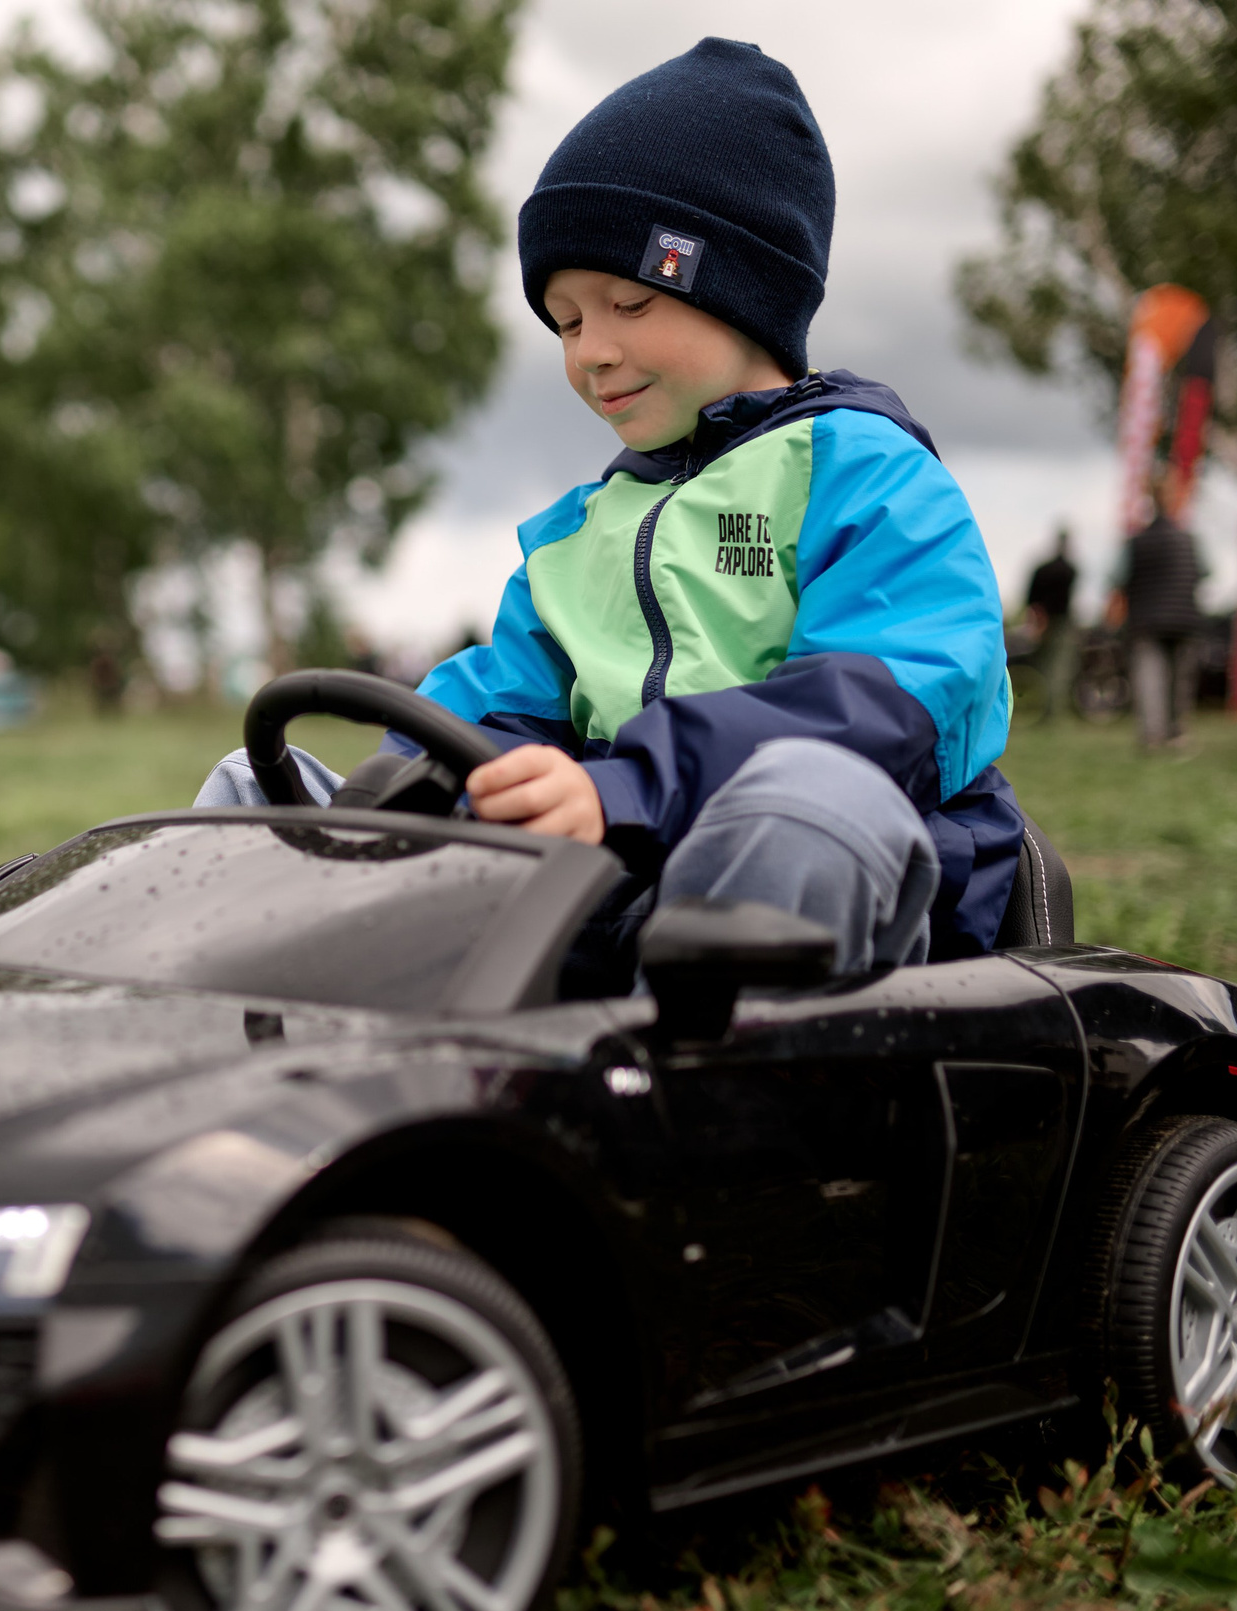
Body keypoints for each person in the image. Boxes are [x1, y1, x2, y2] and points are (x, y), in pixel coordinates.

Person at [198, 38, 1015, 978]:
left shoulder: (866, 475)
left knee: (805, 797)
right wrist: (423, 787)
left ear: (744, 294)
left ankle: (726, 1064)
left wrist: (628, 787)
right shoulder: (581, 531)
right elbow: (504, 707)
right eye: (568, 321)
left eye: (629, 304)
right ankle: (215, 1033)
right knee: (257, 789)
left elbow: (880, 707)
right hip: (609, 886)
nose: (591, 351)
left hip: (830, 885)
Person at [1114, 479, 1207, 752]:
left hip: (1145, 620)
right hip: (1184, 619)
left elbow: (1117, 578)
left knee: (1150, 679)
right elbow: (1205, 573)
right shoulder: (1190, 540)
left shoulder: (1135, 542)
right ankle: (1176, 733)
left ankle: (1152, 736)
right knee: (1180, 682)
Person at [1020, 526, 1079, 724]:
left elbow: (1031, 599)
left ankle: (1043, 710)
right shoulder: (1070, 570)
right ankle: (1051, 712)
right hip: (1060, 624)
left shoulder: (1042, 569)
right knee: (1058, 669)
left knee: (1043, 667)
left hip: (1041, 622)